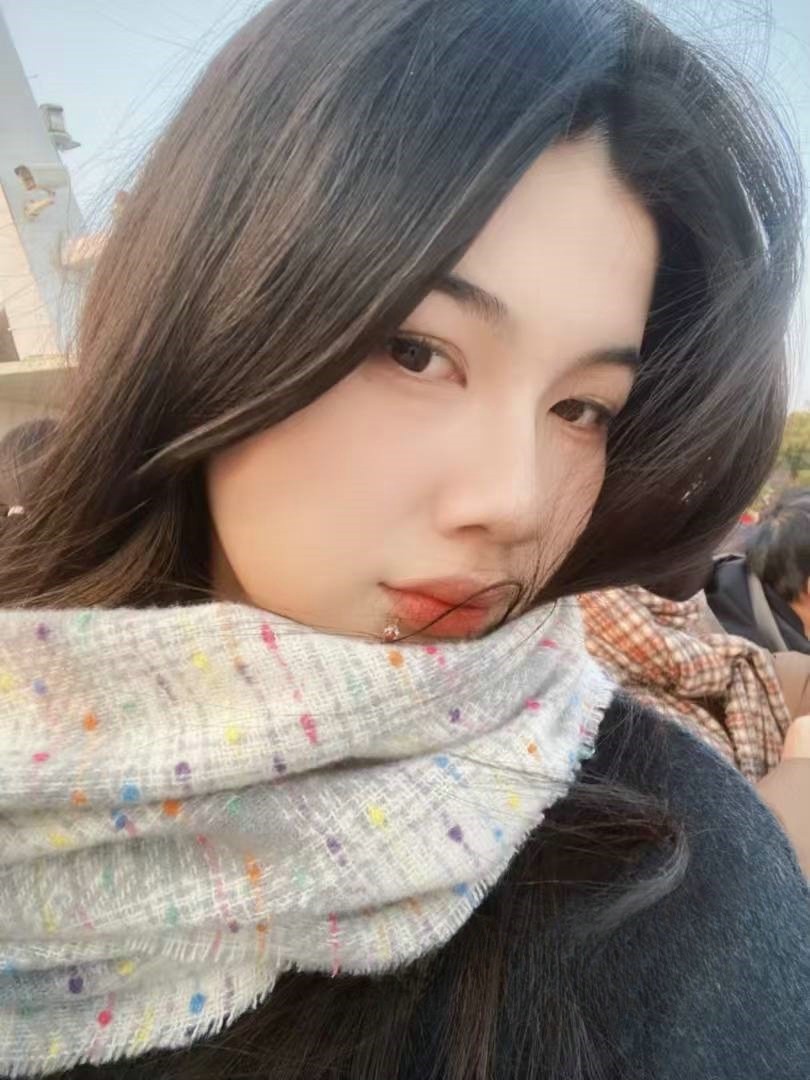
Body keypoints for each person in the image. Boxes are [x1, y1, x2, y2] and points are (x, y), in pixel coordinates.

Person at [0, 1, 808, 1078]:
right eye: (416, 351)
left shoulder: (665, 882)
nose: (515, 502)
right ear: (208, 305)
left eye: (583, 409)